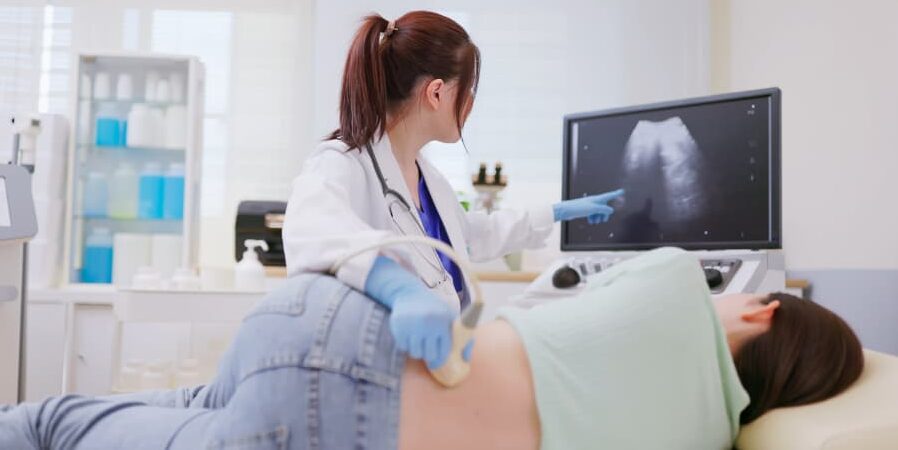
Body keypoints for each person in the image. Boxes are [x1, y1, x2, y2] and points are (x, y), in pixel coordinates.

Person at [0, 248, 863, 449]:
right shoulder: (697, 441)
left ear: (766, 314)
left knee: (53, 421)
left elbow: (547, 312)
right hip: (332, 419)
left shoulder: (676, 276)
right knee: (59, 432)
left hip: (330, 329)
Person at [283, 11, 625, 370]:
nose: (471, 105)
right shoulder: (342, 162)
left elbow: (468, 237)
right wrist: (396, 285)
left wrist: (554, 212)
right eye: (470, 90)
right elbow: (313, 231)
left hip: (432, 371)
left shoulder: (428, 177)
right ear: (437, 92)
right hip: (368, 376)